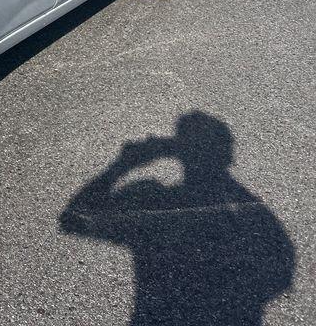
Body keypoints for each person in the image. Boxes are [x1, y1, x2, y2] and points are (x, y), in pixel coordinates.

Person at [60, 112, 294, 325]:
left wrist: (125, 163)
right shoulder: (255, 214)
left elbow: (74, 218)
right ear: (228, 152)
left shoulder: (153, 200)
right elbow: (279, 276)